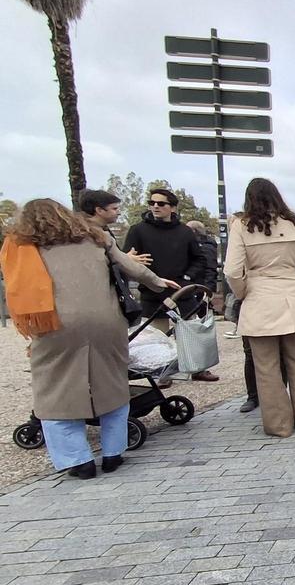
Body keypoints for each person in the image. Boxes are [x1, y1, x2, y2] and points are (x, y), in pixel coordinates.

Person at [0, 199, 176, 478]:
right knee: (112, 382)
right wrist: (159, 283)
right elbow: (131, 267)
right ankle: (113, 453)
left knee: (56, 388)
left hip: (56, 323)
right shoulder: (97, 237)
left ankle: (78, 460)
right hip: (107, 321)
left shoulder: (22, 244)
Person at [224, 179, 295, 438]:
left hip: (259, 296)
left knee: (266, 366)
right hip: (292, 293)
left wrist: (243, 292)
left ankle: (279, 424)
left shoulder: (241, 226)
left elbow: (232, 270)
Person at [121, 187, 218, 382]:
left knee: (191, 331)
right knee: (158, 336)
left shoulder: (185, 232)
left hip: (182, 290)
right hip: (152, 290)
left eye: (161, 203)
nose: (155, 206)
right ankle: (162, 373)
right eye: (152, 203)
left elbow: (198, 259)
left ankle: (198, 368)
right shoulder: (138, 230)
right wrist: (139, 268)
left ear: (172, 207)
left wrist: (188, 278)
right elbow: (127, 259)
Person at [186, 220, 220, 315]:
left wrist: (208, 290)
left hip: (200, 286)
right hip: (198, 285)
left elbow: (210, 269)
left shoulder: (204, 247)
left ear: (193, 231)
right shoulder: (206, 244)